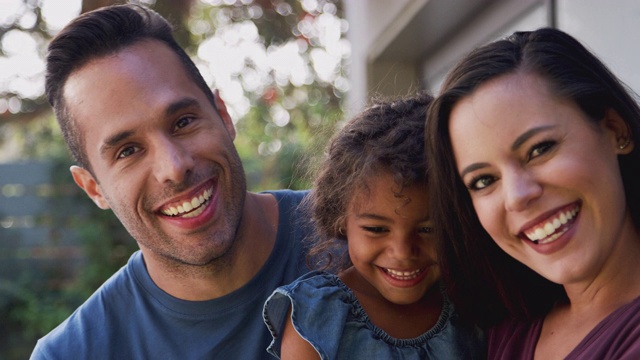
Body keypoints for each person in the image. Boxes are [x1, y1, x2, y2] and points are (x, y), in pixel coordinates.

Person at [31, 4, 313, 359]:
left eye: (182, 122)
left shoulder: (373, 239)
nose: (174, 168)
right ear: (93, 188)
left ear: (223, 115)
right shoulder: (74, 353)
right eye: (128, 150)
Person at [425, 27, 640, 359]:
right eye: (483, 181)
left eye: (540, 149)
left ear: (615, 129)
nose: (516, 196)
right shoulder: (504, 329)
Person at [262, 92, 486, 359]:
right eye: (377, 229)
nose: (402, 252)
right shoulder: (315, 317)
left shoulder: (473, 303)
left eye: (429, 229)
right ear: (340, 220)